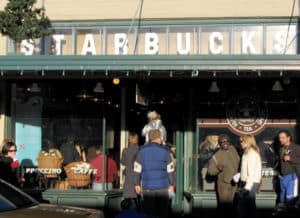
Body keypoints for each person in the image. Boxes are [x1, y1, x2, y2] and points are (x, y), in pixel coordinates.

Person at [134, 129, 175, 218]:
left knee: (148, 212)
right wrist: (172, 184)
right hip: (163, 187)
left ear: (150, 138)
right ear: (159, 138)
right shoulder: (165, 152)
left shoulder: (141, 151)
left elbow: (137, 169)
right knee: (162, 212)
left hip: (147, 187)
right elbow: (170, 170)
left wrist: (136, 184)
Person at [207, 134, 240, 216]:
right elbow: (210, 172)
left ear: (229, 142)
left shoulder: (233, 149)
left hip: (235, 183)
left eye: (226, 141)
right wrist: (218, 169)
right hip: (224, 185)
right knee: (224, 207)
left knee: (234, 207)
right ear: (219, 144)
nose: (225, 143)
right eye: (222, 142)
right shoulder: (216, 156)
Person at [272, 130, 300, 214]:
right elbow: (280, 163)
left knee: (290, 199)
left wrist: (291, 159)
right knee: (282, 200)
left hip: (292, 177)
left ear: (288, 138)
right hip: (282, 177)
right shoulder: (281, 148)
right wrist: (279, 174)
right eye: (279, 138)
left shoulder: (296, 147)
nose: (280, 139)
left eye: (283, 137)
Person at [236, 134, 262, 218]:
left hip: (249, 183)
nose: (241, 143)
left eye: (242, 141)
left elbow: (251, 173)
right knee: (248, 207)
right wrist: (239, 176)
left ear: (248, 142)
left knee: (244, 208)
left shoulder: (251, 154)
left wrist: (247, 188)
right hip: (247, 182)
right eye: (240, 141)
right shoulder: (247, 152)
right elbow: (246, 170)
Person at [121, 133, 141, 209]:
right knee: (137, 200)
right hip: (139, 176)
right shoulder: (140, 150)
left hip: (128, 177)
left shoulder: (125, 151)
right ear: (137, 140)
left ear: (129, 140)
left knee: (129, 200)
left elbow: (123, 162)